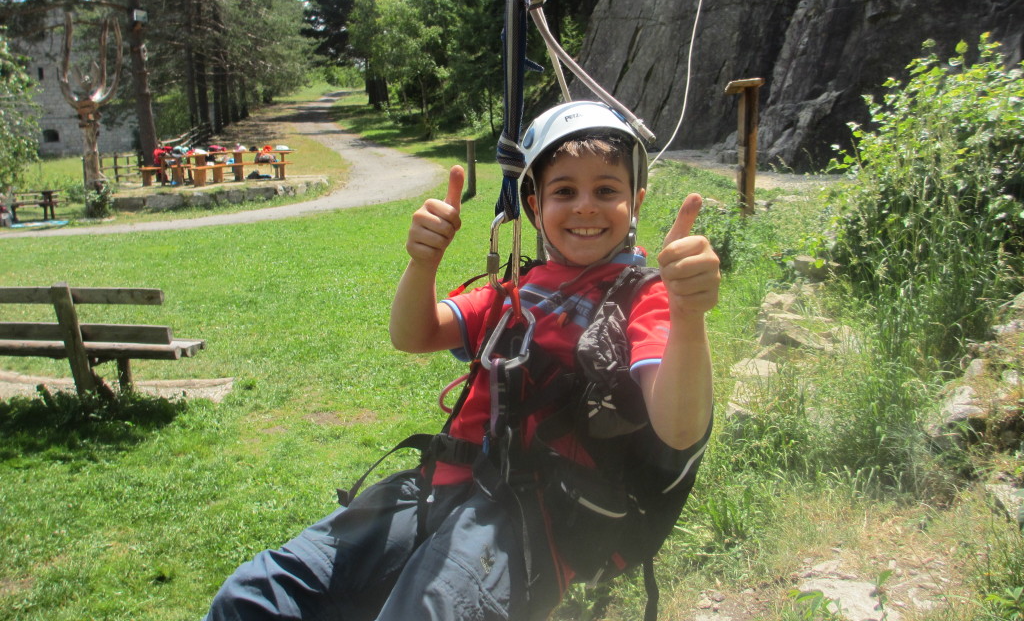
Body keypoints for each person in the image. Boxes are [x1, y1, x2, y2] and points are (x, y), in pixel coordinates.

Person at [204, 101, 720, 621]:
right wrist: (422, 263)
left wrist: (688, 312)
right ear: (536, 208)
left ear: (637, 202)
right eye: (565, 191)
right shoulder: (516, 292)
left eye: (607, 190)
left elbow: (678, 430)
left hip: (525, 514)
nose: (586, 206)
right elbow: (415, 333)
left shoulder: (645, 299)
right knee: (254, 597)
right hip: (439, 485)